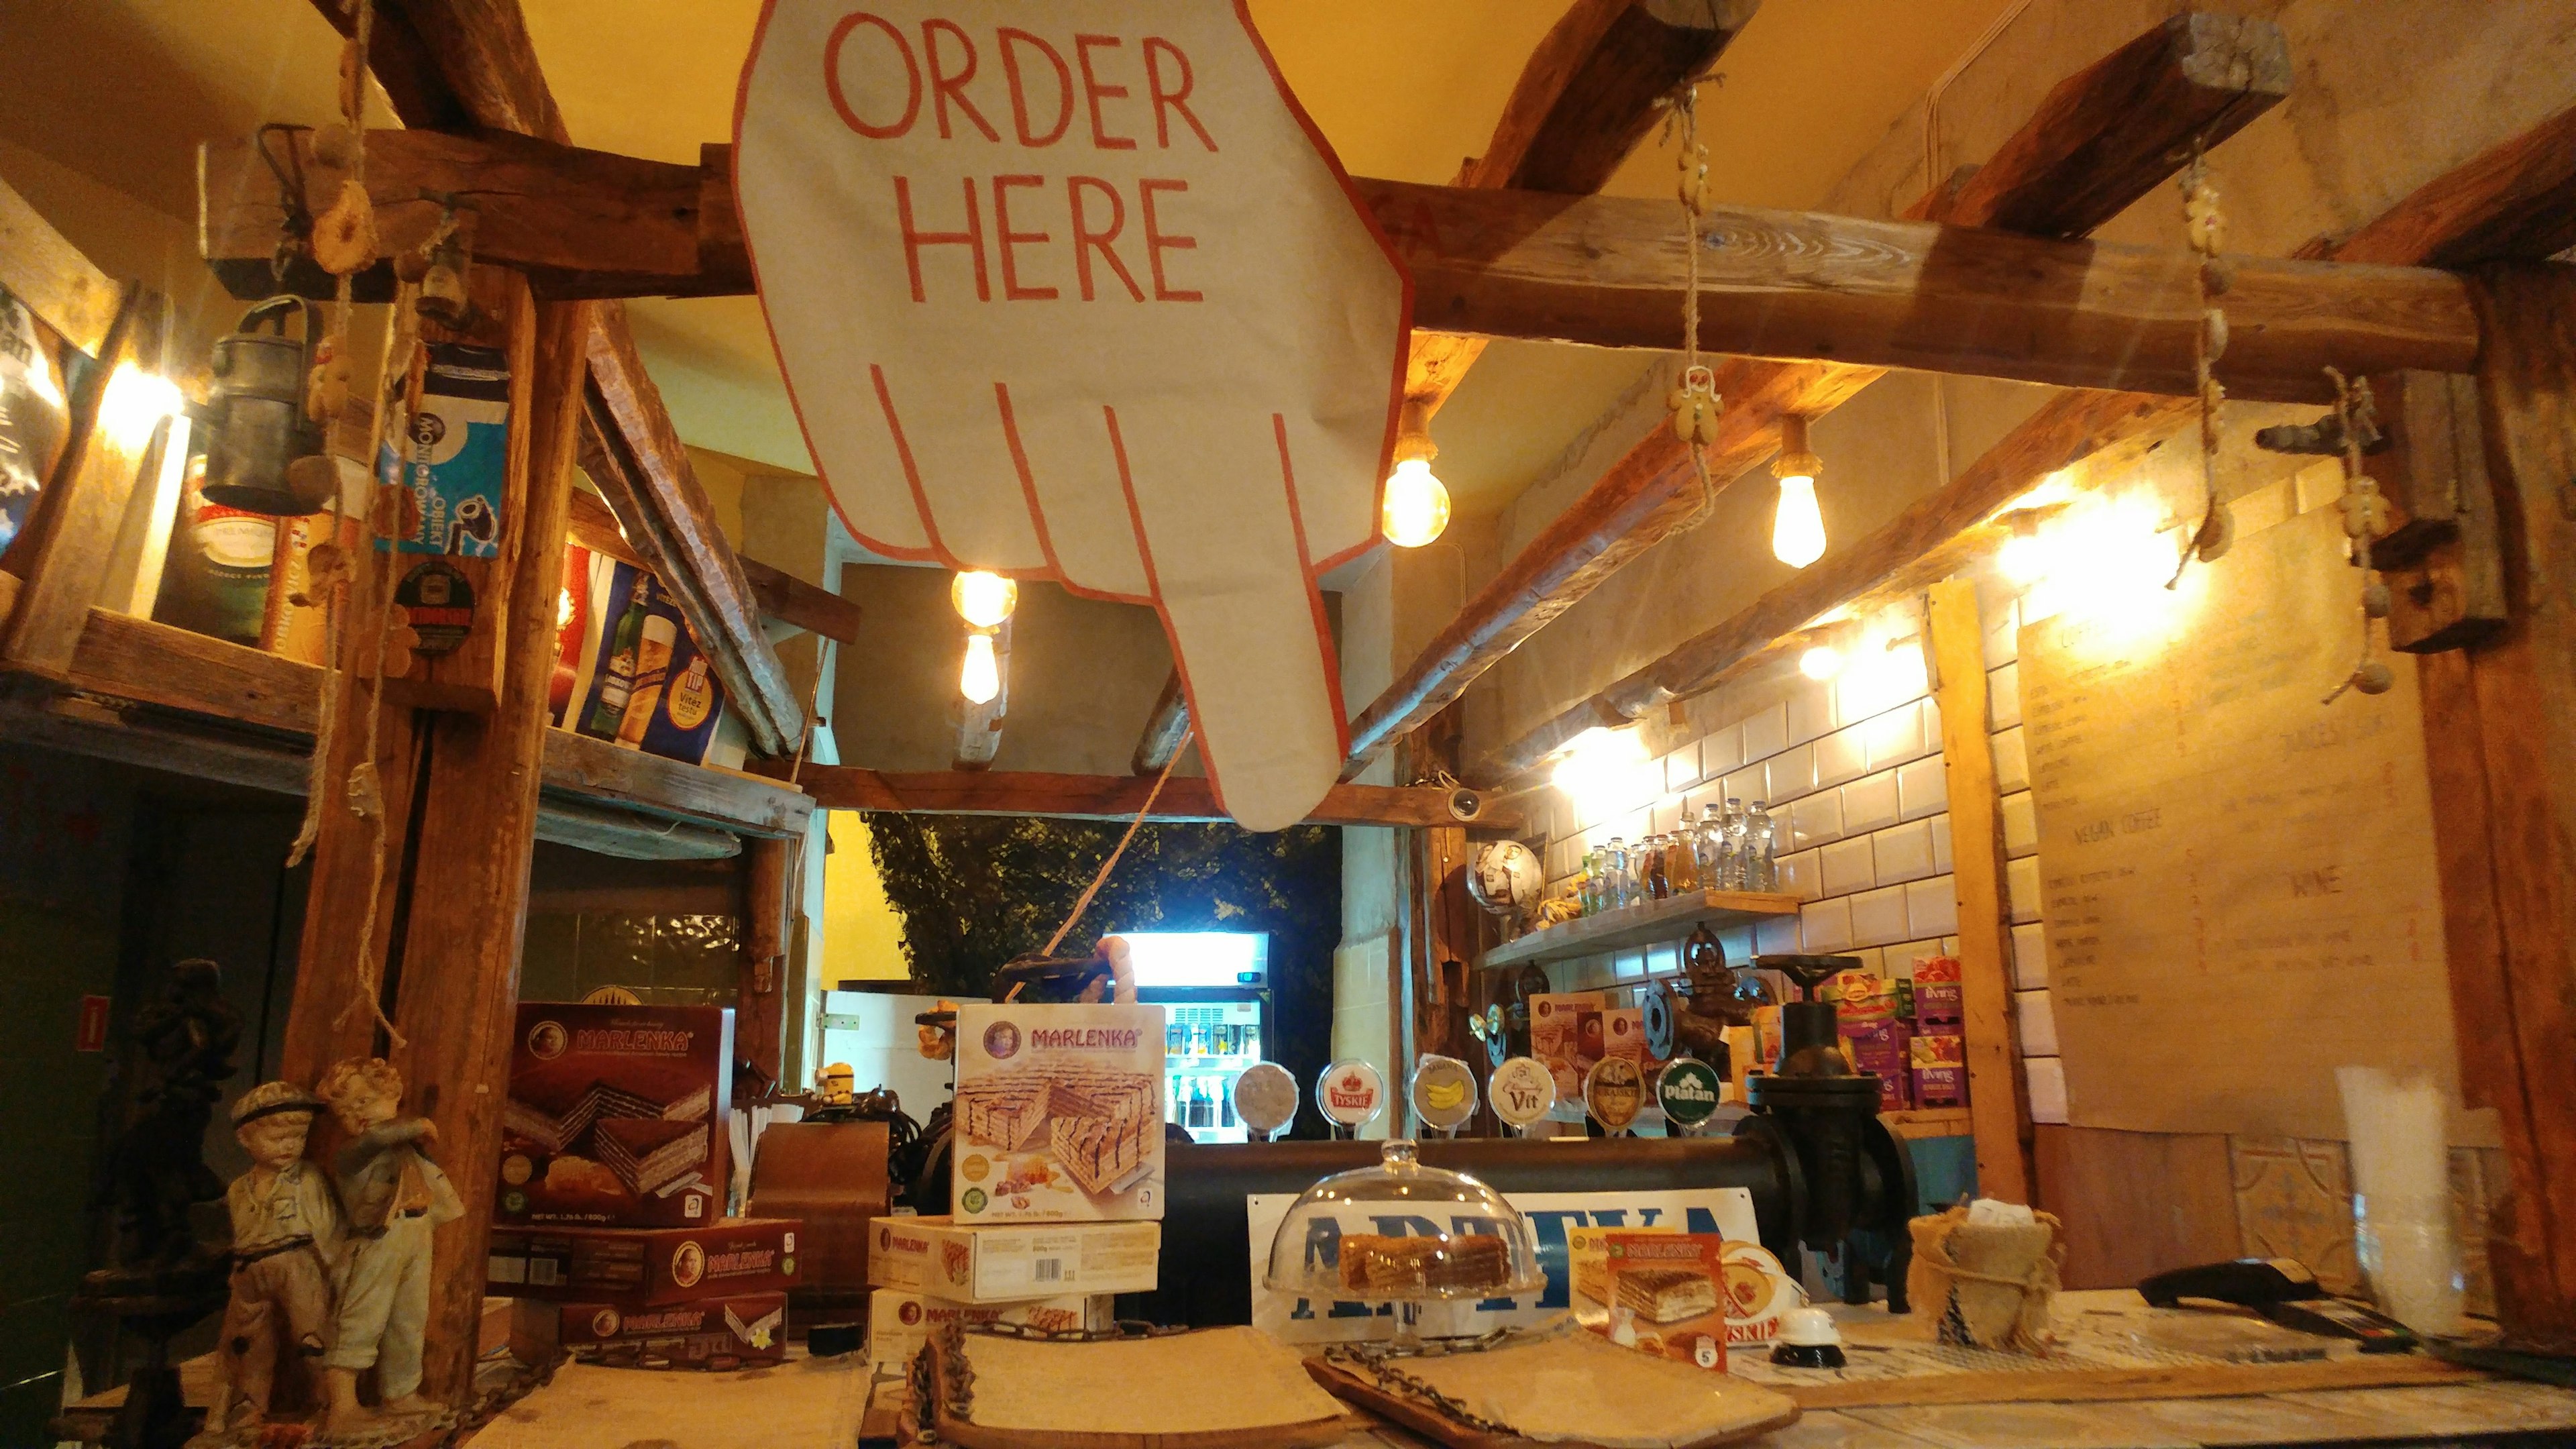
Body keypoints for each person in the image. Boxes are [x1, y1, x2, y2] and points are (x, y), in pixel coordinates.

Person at [315, 1057, 462, 1432]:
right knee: (362, 1317)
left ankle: (400, 1393)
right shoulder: (353, 1153)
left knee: (409, 1319)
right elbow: (379, 1137)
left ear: (392, 1094)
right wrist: (416, 1125)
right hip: (377, 1239)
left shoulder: (407, 1147)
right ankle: (343, 1406)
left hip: (416, 1232)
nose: (355, 1116)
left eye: (363, 1102)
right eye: (345, 1112)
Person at [209, 1081, 341, 1432]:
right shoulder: (239, 1188)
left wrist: (336, 1273)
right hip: (251, 1269)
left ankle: (328, 1405)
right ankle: (247, 1408)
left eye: (297, 1138)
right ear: (245, 1139)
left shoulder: (307, 1180)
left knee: (313, 1336)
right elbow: (239, 1233)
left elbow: (327, 1230)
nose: (289, 1146)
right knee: (246, 1343)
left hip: (298, 1262)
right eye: (277, 1138)